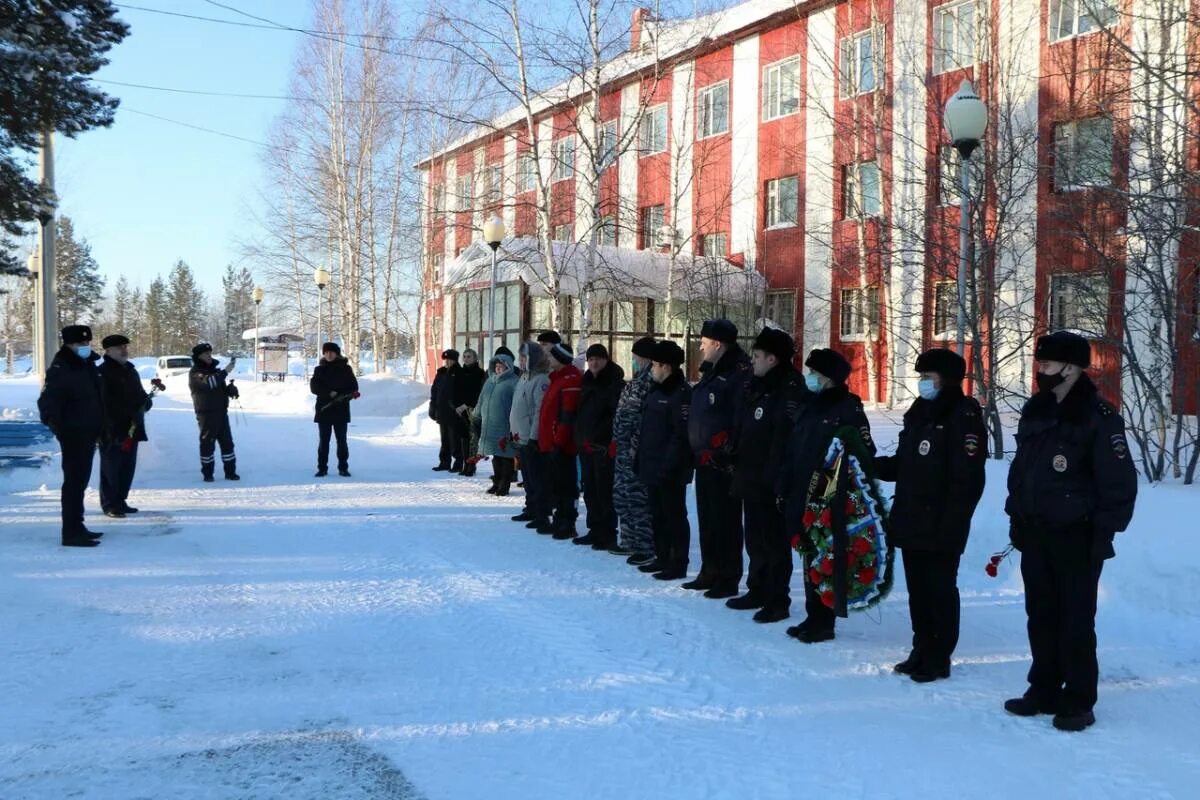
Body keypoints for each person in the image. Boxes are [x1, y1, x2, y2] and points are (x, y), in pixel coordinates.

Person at [1003, 331, 1137, 732]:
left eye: (1047, 363)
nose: (1040, 369)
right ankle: (1042, 689)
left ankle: (1078, 698)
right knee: (1040, 615)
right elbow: (1022, 472)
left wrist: (1103, 533)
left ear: (1072, 367)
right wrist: (1017, 515)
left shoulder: (1099, 416)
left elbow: (1119, 484)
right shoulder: (1037, 410)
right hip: (1037, 532)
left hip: (1077, 536)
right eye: (1040, 362)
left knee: (1076, 619)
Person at [874, 348, 986, 682]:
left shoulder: (962, 415)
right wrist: (871, 465)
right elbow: (905, 463)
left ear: (947, 380)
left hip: (941, 522)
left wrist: (953, 522)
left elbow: (967, 479)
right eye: (921, 377)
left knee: (939, 590)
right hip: (912, 517)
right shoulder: (920, 412)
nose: (922, 383)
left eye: (928, 378)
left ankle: (939, 656)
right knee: (918, 591)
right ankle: (920, 648)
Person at [777, 347, 873, 643]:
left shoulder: (848, 408)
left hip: (827, 496)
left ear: (829, 378)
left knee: (826, 556)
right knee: (808, 553)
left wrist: (833, 487)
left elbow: (863, 452)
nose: (810, 378)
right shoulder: (809, 405)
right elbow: (793, 450)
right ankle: (813, 614)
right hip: (801, 491)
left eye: (815, 374)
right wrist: (784, 486)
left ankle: (825, 620)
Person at [729, 327, 805, 621]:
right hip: (751, 476)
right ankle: (757, 588)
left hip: (772, 481)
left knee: (775, 543)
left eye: (758, 356)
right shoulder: (757, 385)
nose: (753, 361)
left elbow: (783, 440)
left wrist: (777, 480)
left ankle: (777, 599)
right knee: (755, 539)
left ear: (772, 359)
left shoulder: (789, 389)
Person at [686, 319, 751, 596]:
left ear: (717, 344)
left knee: (726, 522)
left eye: (704, 341)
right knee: (708, 518)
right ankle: (709, 570)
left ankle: (727, 576)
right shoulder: (713, 370)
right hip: (704, 460)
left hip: (723, 461)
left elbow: (738, 417)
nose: (700, 346)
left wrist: (726, 450)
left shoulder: (737, 373)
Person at [37, 325, 104, 547]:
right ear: (68, 344)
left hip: (88, 431)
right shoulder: (62, 368)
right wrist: (62, 429)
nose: (85, 347)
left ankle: (79, 525)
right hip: (74, 434)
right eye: (79, 344)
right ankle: (71, 532)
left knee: (80, 483)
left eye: (87, 343)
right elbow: (48, 403)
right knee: (74, 484)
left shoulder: (86, 365)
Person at [635, 339, 693, 580]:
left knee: (674, 515)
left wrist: (668, 466)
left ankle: (677, 561)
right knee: (657, 514)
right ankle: (662, 556)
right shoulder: (656, 390)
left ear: (667, 367)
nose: (651, 369)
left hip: (670, 469)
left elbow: (680, 436)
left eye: (655, 365)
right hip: (651, 464)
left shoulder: (680, 393)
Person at [572, 343, 625, 550]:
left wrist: (606, 440)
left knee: (604, 491)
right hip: (586, 445)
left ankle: (607, 533)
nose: (594, 363)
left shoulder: (614, 383)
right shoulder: (586, 381)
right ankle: (594, 529)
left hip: (603, 447)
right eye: (591, 359)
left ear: (606, 360)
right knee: (591, 491)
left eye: (598, 359)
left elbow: (614, 417)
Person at [98, 333, 151, 518]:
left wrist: (145, 401)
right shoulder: (103, 372)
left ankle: (121, 500)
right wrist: (108, 428)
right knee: (111, 468)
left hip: (132, 427)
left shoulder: (130, 370)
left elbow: (139, 393)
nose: (124, 350)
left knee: (127, 467)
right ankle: (110, 504)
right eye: (120, 348)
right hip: (112, 429)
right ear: (108, 351)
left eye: (125, 347)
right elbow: (103, 404)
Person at [538, 342, 583, 539]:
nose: (548, 359)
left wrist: (559, 441)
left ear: (561, 359)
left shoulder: (571, 380)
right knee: (555, 484)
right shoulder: (557, 379)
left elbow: (568, 415)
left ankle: (568, 521)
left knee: (566, 485)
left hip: (563, 445)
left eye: (552, 356)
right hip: (551, 442)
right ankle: (559, 518)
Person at [509, 342, 552, 529]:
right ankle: (530, 507)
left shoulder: (541, 379)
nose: (521, 361)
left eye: (524, 358)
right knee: (526, 477)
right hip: (520, 435)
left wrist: (534, 437)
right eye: (520, 358)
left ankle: (541, 513)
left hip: (530, 438)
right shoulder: (524, 377)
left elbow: (539, 411)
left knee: (537, 477)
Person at [188, 342, 240, 482]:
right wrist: (226, 371)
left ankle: (230, 472)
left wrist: (229, 390)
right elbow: (210, 383)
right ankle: (208, 474)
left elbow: (218, 386)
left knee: (227, 443)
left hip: (221, 413)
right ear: (199, 356)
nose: (209, 356)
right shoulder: (195, 373)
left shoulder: (215, 371)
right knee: (207, 444)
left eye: (210, 353)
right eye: (206, 354)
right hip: (206, 414)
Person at [310, 342, 359, 477]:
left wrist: (344, 396)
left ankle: (343, 468)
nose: (329, 355)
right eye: (326, 352)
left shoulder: (346, 369)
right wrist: (329, 393)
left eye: (331, 352)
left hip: (341, 410)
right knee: (324, 441)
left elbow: (354, 387)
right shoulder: (319, 370)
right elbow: (314, 388)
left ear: (337, 354)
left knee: (341, 440)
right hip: (324, 410)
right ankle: (322, 468)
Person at [475, 352, 519, 495]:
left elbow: (517, 405)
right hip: (489, 424)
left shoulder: (514, 382)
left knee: (505, 456)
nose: (498, 369)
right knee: (495, 456)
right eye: (497, 366)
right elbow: (481, 399)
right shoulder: (490, 380)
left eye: (501, 366)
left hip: (505, 425)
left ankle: (504, 485)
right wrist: (476, 414)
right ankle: (496, 482)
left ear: (508, 367)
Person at [429, 349, 463, 471]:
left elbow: (461, 393)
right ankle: (444, 462)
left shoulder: (459, 372)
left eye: (450, 360)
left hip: (454, 412)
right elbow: (434, 391)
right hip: (442, 410)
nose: (447, 362)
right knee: (444, 439)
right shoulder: (441, 372)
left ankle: (458, 462)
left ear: (455, 360)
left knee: (455, 439)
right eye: (446, 360)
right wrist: (433, 407)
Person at [457, 348, 486, 476]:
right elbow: (455, 390)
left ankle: (471, 465)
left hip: (473, 409)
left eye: (469, 356)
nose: (466, 359)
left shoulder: (479, 373)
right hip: (460, 410)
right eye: (465, 356)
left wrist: (467, 405)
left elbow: (478, 393)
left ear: (475, 358)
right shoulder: (460, 372)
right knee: (463, 438)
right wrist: (457, 405)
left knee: (473, 438)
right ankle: (465, 464)